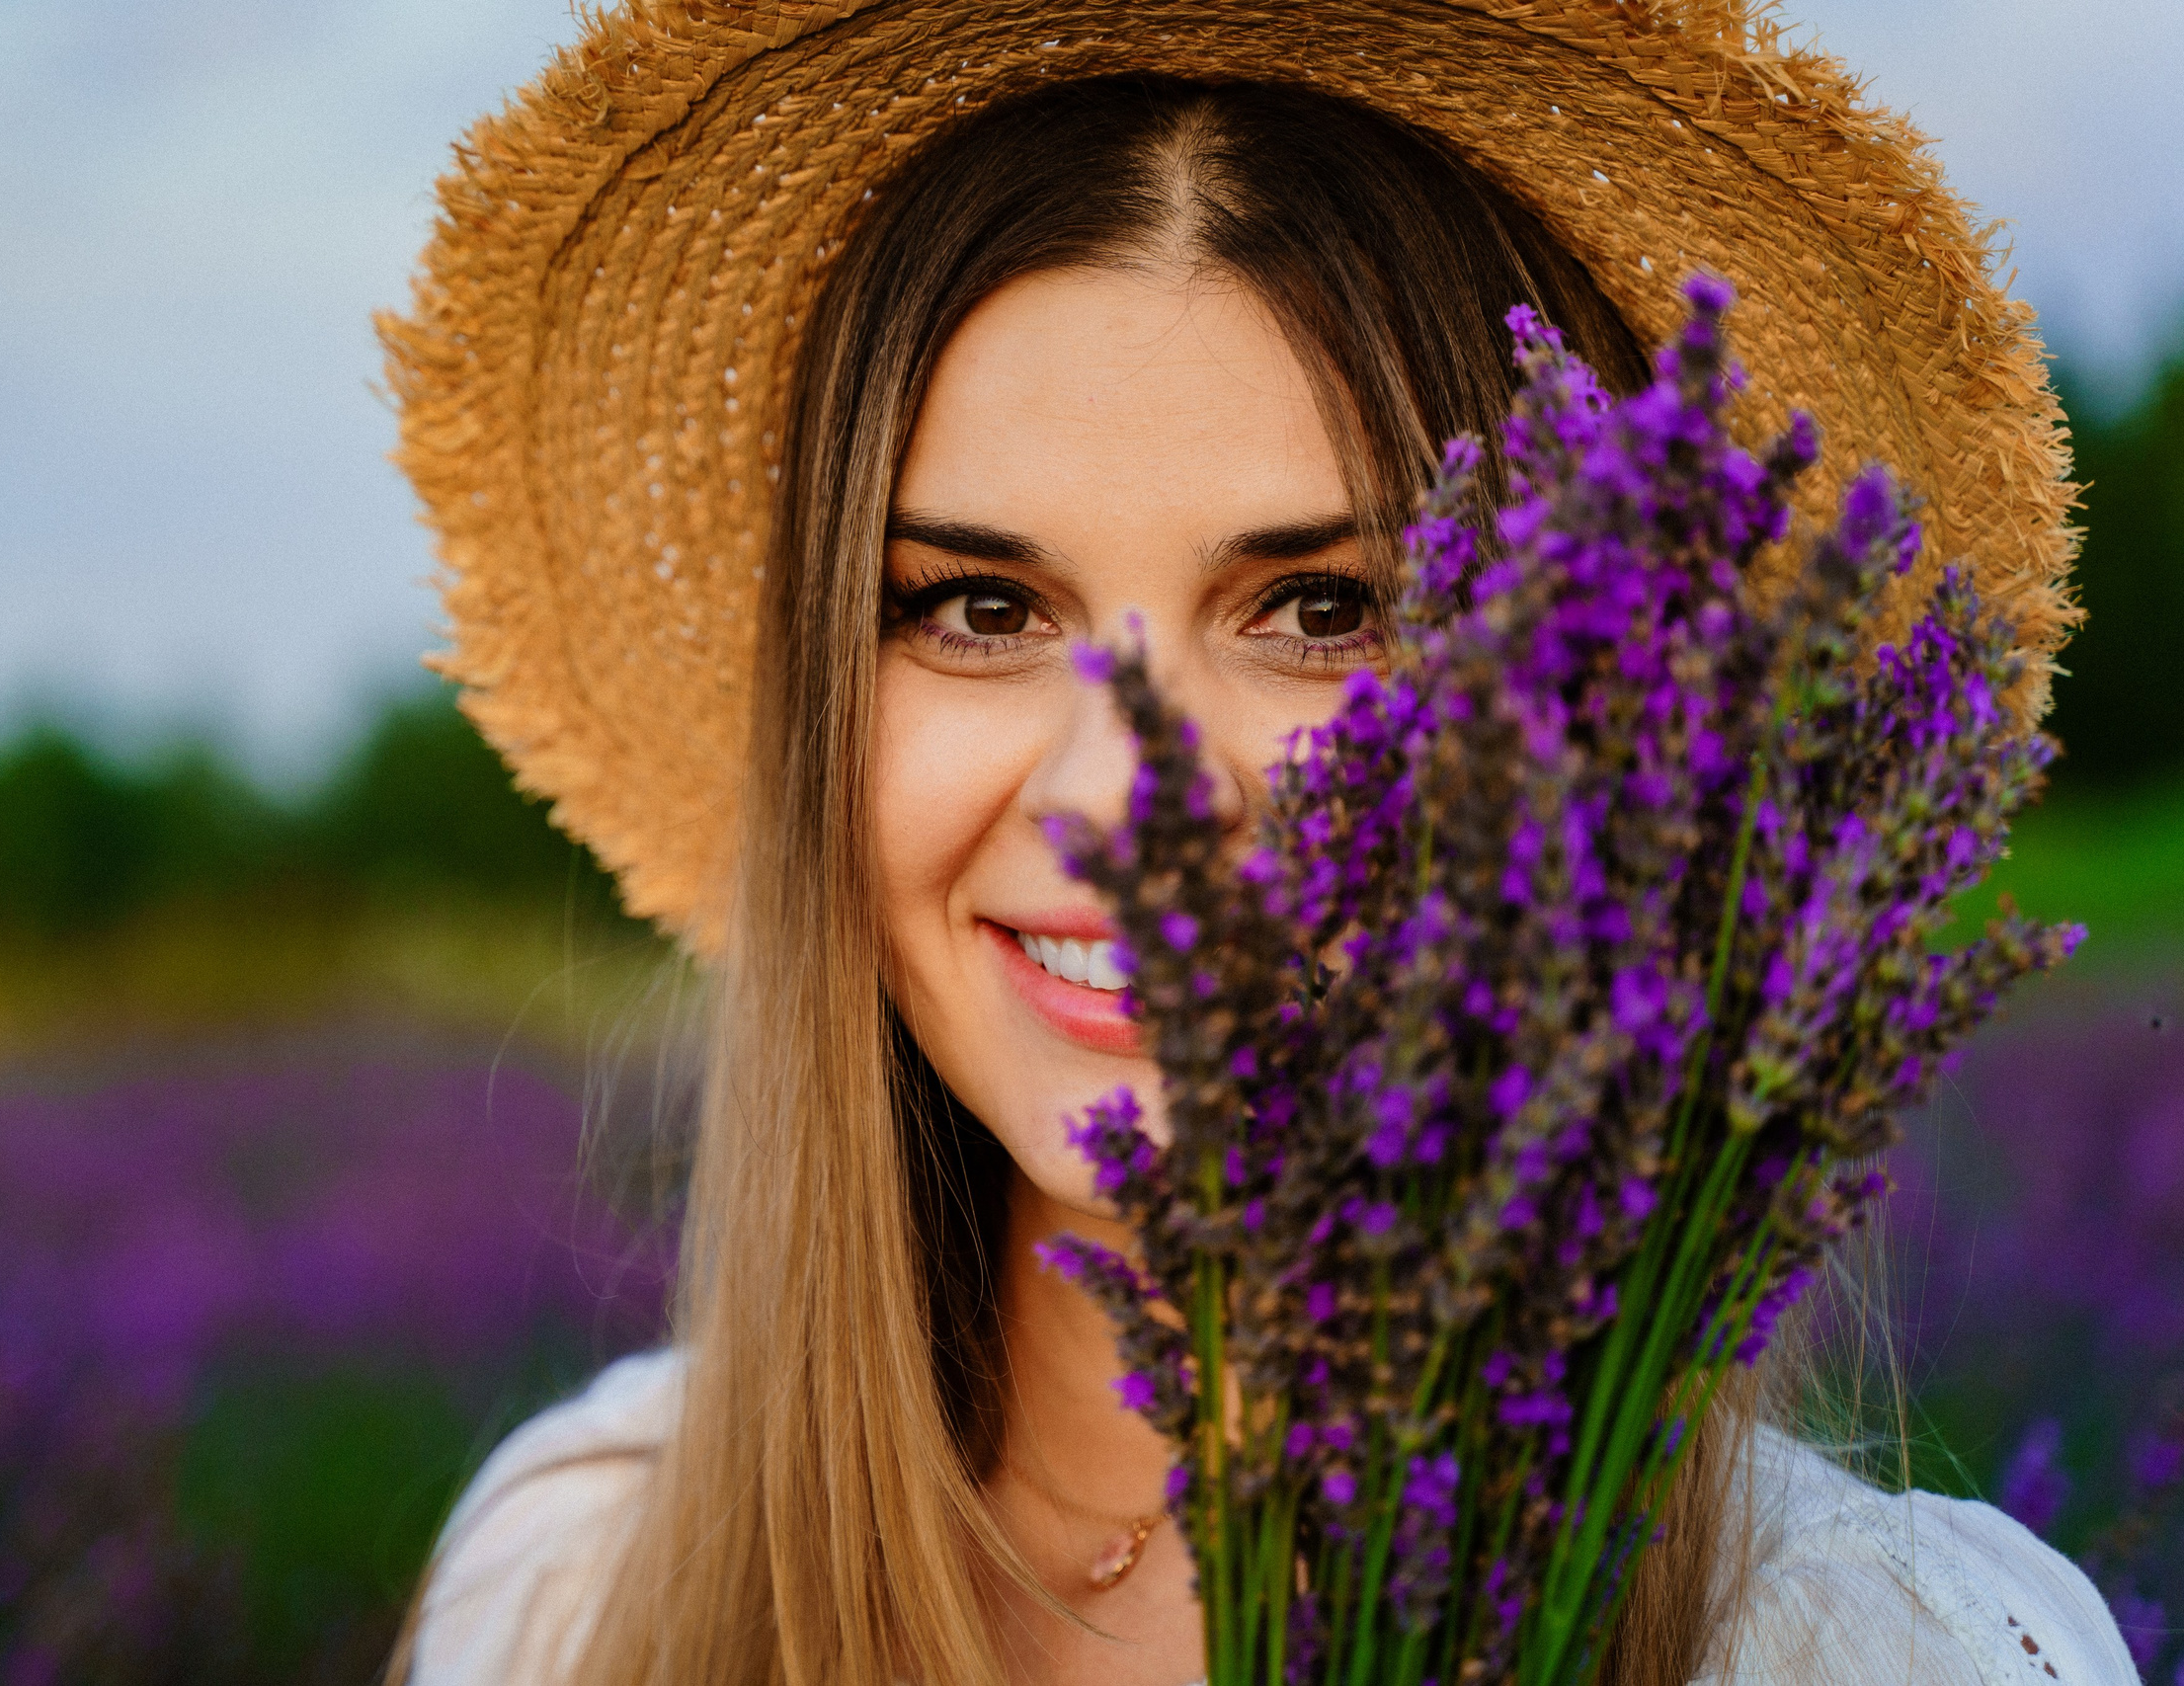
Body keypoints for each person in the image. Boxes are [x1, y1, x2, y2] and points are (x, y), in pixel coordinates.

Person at [379, 6, 2134, 1683]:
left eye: (1319, 607)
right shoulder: (579, 1594)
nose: (1131, 797)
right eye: (980, 606)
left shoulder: (1847, 1652)